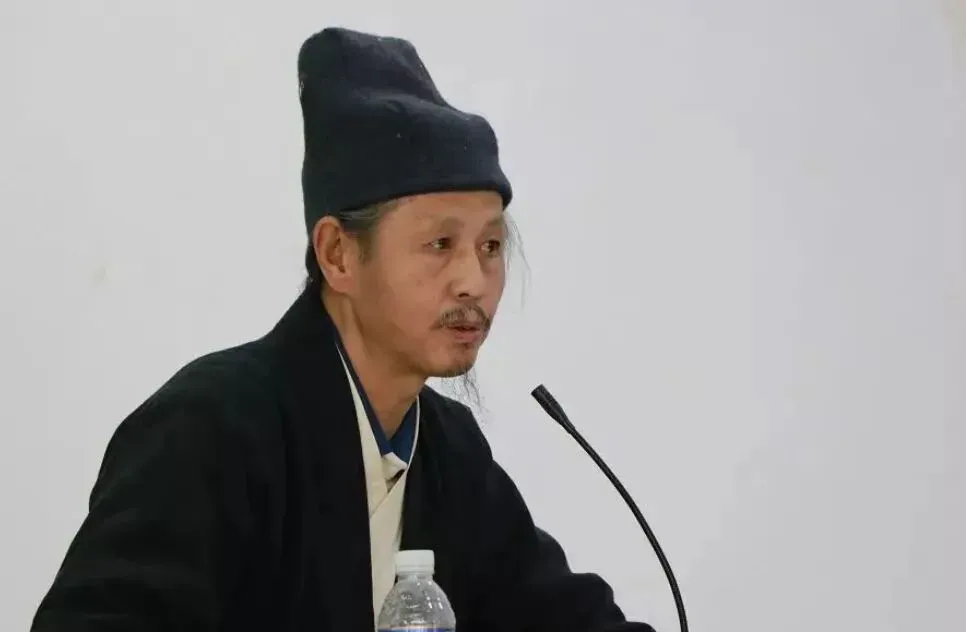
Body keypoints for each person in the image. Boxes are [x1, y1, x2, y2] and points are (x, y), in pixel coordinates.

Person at [31, 27, 655, 632]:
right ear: (338, 254)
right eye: (440, 244)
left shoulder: (450, 452)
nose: (474, 280)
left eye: (491, 246)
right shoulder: (213, 428)